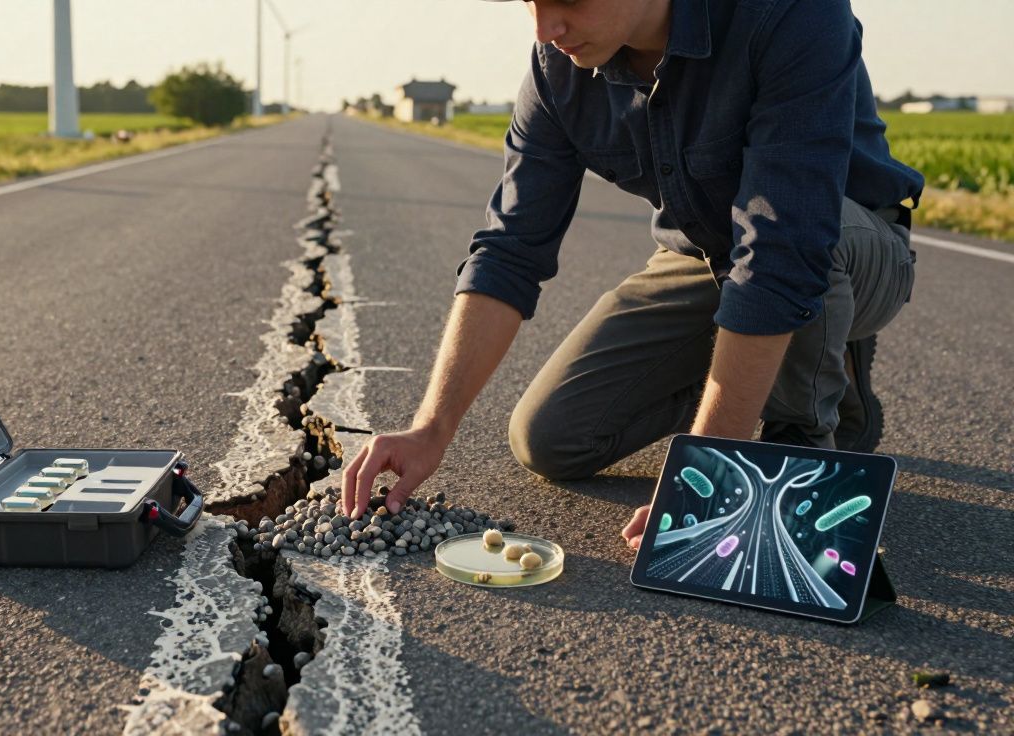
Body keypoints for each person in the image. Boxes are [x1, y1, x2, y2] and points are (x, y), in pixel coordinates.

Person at [340, 0, 923, 550]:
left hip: (847, 245)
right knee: (549, 440)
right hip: (702, 258)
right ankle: (758, 373)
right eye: (529, 3)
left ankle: (802, 420)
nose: (545, 29)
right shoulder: (557, 69)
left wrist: (708, 474)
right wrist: (431, 428)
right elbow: (510, 248)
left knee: (806, 250)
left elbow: (781, 249)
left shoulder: (791, 14)